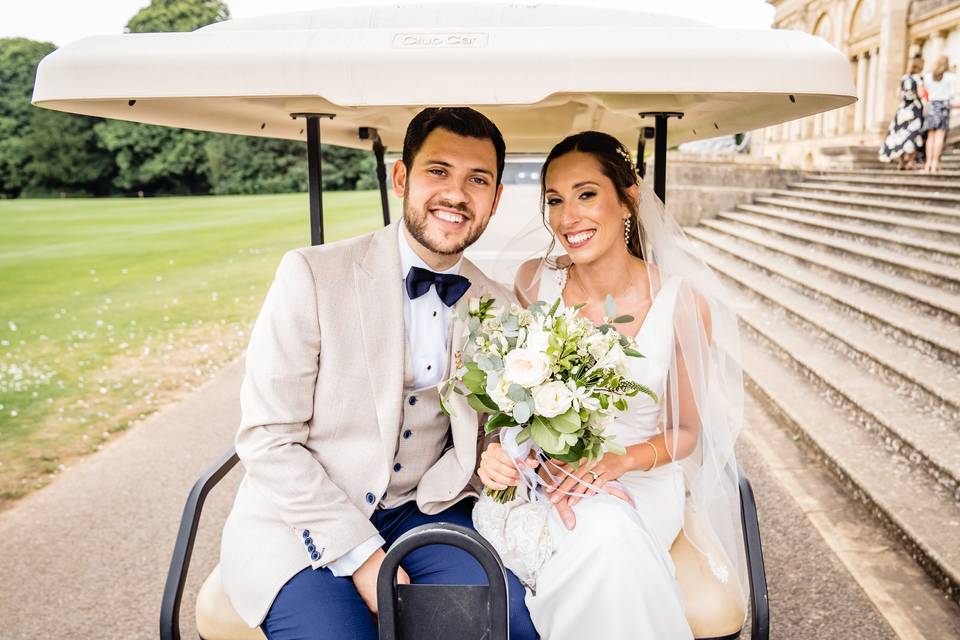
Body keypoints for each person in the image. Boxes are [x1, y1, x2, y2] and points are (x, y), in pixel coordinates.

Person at [219, 107, 537, 640]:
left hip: (427, 513)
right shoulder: (313, 275)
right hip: (299, 523)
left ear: (496, 198)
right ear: (401, 177)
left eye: (476, 180)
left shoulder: (502, 306)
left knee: (511, 625)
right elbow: (268, 438)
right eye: (438, 171)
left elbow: (490, 435)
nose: (456, 194)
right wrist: (364, 555)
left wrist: (501, 451)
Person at [476, 131, 747, 638]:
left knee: (608, 530)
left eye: (585, 194)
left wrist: (618, 462)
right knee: (598, 532)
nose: (567, 217)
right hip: (549, 477)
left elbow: (686, 431)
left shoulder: (684, 303)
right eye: (554, 200)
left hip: (640, 479)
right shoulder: (534, 282)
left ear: (628, 198)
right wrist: (503, 451)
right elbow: (515, 400)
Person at [879, 55, 925, 170]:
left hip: (902, 110)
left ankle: (901, 162)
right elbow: (921, 94)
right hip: (914, 110)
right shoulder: (918, 78)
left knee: (899, 134)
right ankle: (910, 161)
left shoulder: (904, 78)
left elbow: (898, 95)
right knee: (913, 134)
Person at [922, 55, 959, 173]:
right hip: (943, 106)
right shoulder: (951, 77)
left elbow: (925, 91)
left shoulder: (928, 76)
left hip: (931, 105)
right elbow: (954, 93)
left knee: (930, 137)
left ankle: (928, 163)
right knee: (939, 136)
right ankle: (935, 162)